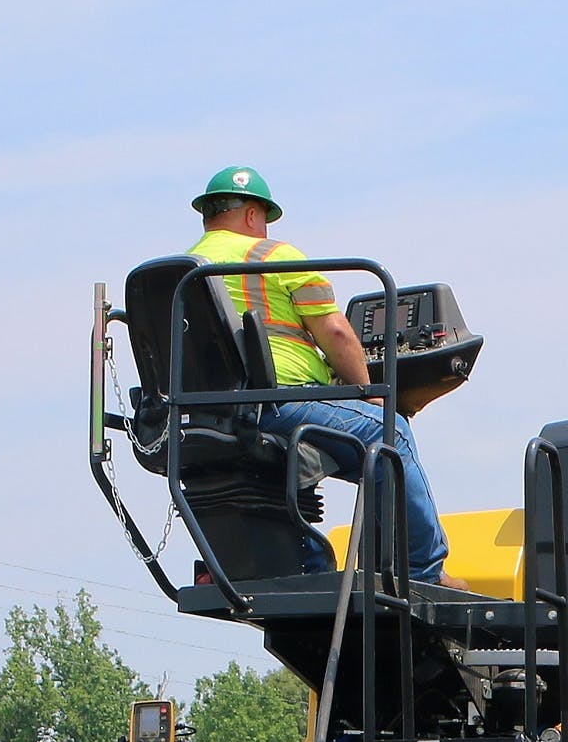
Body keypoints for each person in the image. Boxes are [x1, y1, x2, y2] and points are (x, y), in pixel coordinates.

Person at [188, 164, 447, 583]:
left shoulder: (184, 270)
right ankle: (422, 572)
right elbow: (337, 332)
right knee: (390, 432)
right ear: (254, 215)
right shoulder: (272, 257)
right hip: (277, 404)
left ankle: (307, 567)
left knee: (322, 450)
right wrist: (368, 392)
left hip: (207, 414)